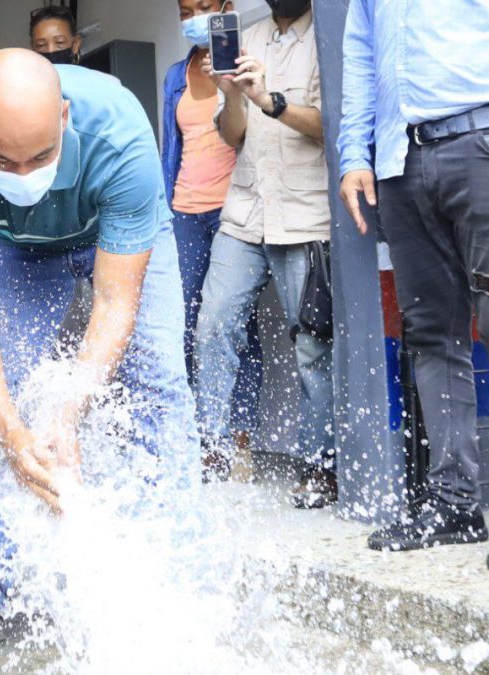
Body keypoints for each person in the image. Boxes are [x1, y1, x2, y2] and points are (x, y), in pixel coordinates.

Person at [0, 50, 197, 670]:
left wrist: (70, 407)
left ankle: (178, 579)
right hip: (17, 249)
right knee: (0, 406)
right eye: (2, 160)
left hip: (121, 235)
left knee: (161, 389)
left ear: (63, 116)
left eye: (40, 156)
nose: (22, 173)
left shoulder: (119, 131)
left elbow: (117, 299)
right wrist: (15, 433)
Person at [339, 0, 489, 572]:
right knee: (430, 335)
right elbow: (359, 55)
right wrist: (354, 153)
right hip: (403, 159)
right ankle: (453, 506)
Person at [194, 0, 335, 507]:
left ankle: (320, 466)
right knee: (212, 326)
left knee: (314, 348)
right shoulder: (247, 36)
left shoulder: (329, 34)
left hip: (306, 216)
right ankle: (209, 448)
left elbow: (333, 126)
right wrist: (233, 95)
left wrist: (270, 100)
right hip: (246, 213)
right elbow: (233, 134)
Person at [163, 0, 263, 482]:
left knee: (231, 325)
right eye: (187, 8)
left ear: (225, 8)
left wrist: (231, 82)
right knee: (184, 327)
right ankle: (203, 435)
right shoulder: (174, 75)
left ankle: (238, 438)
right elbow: (172, 147)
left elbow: (252, 136)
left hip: (234, 210)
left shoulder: (245, 60)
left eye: (205, 6)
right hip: (184, 210)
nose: (195, 14)